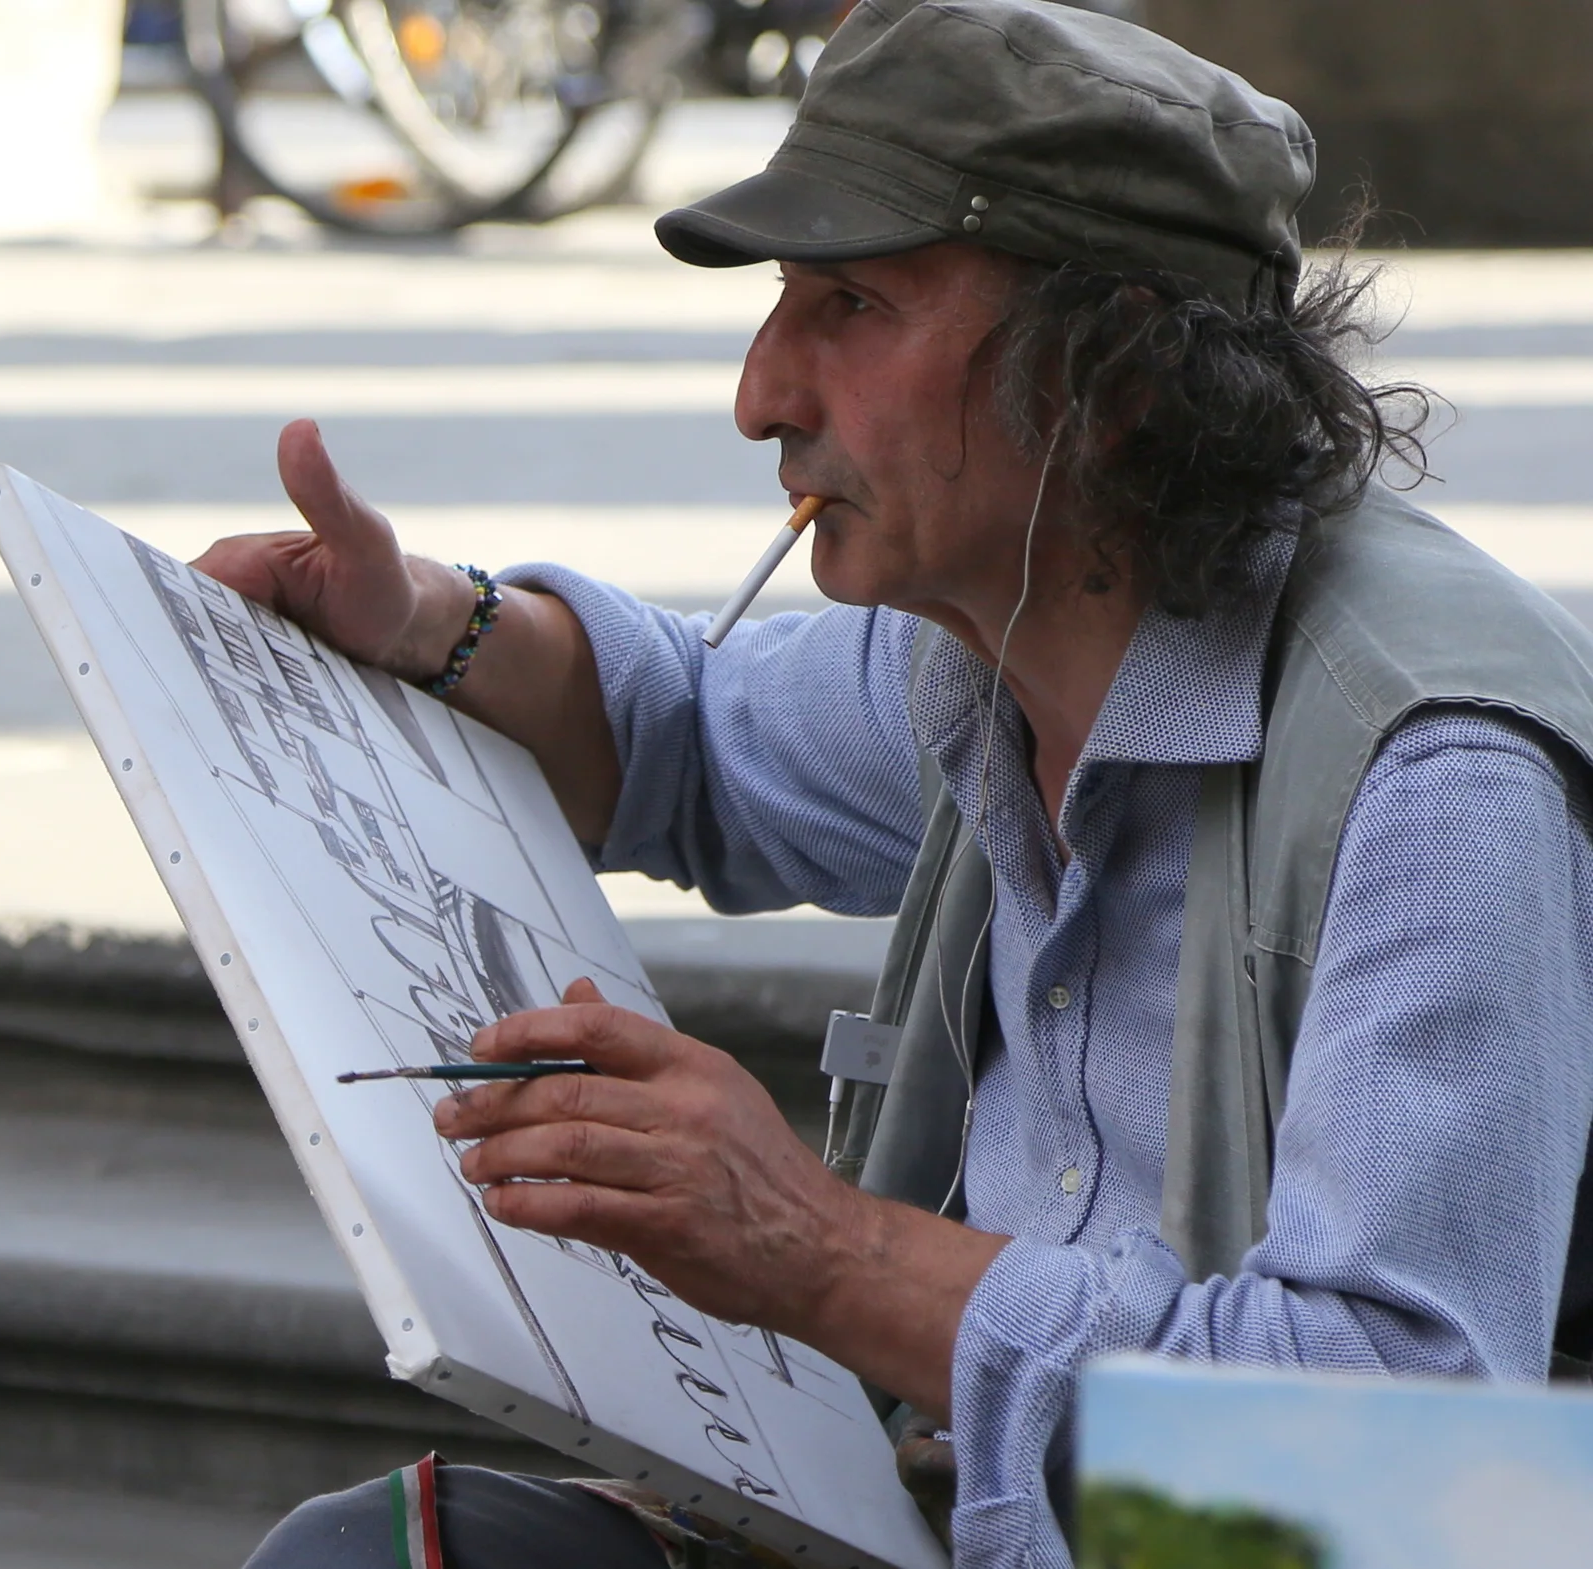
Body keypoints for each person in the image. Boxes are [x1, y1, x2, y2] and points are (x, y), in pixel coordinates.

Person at [199, 2, 1593, 1566]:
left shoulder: (1434, 779)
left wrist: (818, 1251)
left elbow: (1403, 1446)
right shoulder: (991, 641)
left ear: (1111, 368)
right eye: (783, 302)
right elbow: (694, 735)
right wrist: (432, 628)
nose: (763, 395)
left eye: (852, 304)